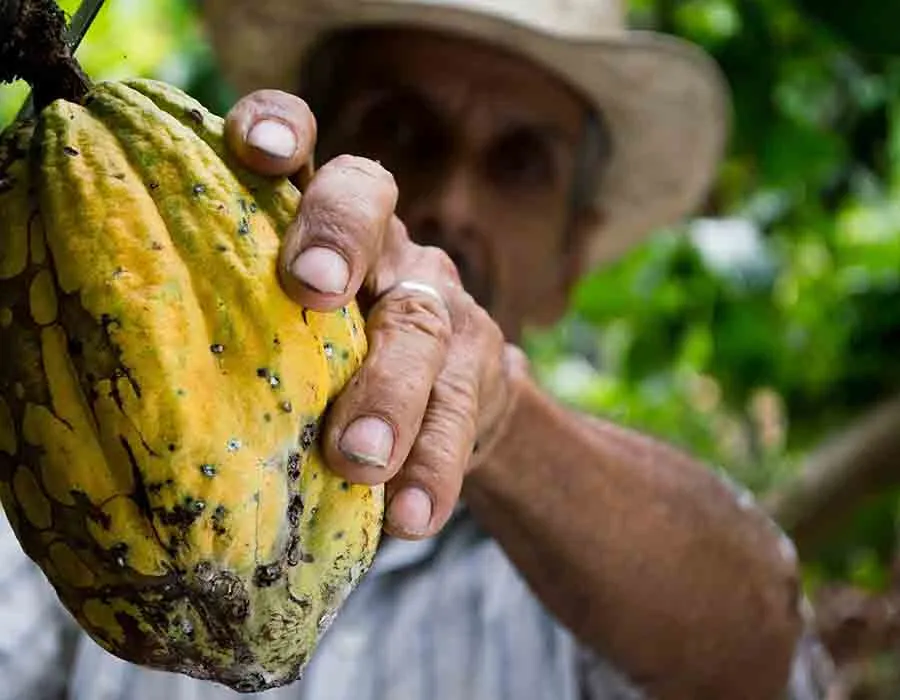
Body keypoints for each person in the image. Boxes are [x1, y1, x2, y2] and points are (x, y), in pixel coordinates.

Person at [0, 0, 835, 698]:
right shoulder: (77, 447)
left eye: (519, 162)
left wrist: (497, 415)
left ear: (570, 261)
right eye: (400, 125)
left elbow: (758, 647)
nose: (450, 201)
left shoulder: (610, 573)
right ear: (283, 159)